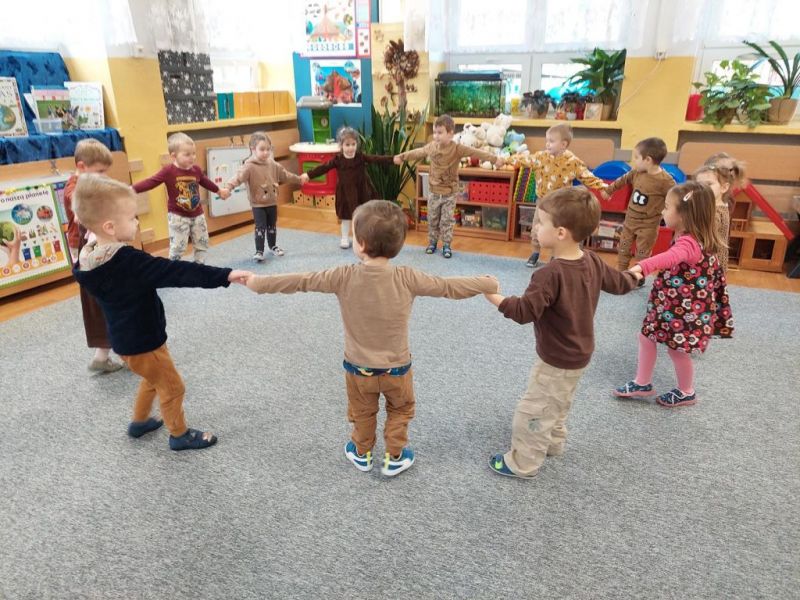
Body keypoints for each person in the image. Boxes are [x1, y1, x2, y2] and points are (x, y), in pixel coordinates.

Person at [245, 200, 498, 476]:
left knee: (362, 412)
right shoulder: (407, 277)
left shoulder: (342, 276)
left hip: (358, 370)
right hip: (397, 369)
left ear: (361, 244)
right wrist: (486, 283)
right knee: (400, 410)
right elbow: (448, 287)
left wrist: (259, 283)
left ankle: (361, 452)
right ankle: (395, 456)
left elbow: (302, 280)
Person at [72, 174, 251, 450]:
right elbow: (177, 271)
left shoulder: (87, 258)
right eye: (132, 218)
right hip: (145, 341)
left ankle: (140, 421)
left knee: (152, 379)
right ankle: (179, 434)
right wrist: (225, 275)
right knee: (173, 386)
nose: (137, 222)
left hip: (124, 341)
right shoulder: (128, 262)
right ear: (109, 226)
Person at [484, 187, 639, 479]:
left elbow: (524, 311)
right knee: (559, 399)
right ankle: (553, 442)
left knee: (534, 409)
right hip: (580, 353)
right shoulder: (591, 259)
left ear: (561, 233)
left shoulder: (548, 275)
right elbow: (619, 283)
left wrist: (493, 296)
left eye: (541, 222)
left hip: (556, 356)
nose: (535, 227)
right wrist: (635, 275)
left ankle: (522, 463)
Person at [614, 181, 734, 408]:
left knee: (677, 350)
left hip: (684, 311)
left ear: (683, 215)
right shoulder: (689, 235)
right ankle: (642, 382)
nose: (662, 211)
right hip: (670, 304)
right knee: (646, 336)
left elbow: (668, 258)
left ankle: (687, 391)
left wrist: (640, 268)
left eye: (667, 207)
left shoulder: (689, 242)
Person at [394, 114, 503, 259]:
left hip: (449, 194)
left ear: (451, 133)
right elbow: (418, 152)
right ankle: (432, 242)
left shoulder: (457, 149)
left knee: (446, 220)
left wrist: (494, 159)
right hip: (433, 192)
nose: (436, 136)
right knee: (432, 219)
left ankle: (446, 244)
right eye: (435, 132)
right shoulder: (432, 147)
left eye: (440, 132)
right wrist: (402, 157)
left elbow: (476, 152)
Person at [62, 139, 125, 372]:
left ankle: (105, 353)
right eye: (99, 171)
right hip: (87, 252)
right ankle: (115, 350)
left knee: (108, 298)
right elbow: (75, 201)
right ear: (81, 166)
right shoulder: (74, 187)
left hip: (97, 248)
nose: (103, 176)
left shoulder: (92, 182)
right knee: (101, 300)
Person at [132, 132, 231, 263]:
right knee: (178, 247)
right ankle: (173, 268)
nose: (192, 157)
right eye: (187, 154)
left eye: (194, 153)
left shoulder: (196, 170)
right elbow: (151, 182)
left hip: (197, 214)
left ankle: (200, 265)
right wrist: (132, 189)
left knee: (202, 243)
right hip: (178, 216)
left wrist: (218, 191)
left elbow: (206, 182)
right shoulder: (168, 171)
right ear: (173, 156)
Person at [520, 123, 607, 268]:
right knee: (537, 227)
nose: (547, 144)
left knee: (558, 231)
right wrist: (500, 160)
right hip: (542, 202)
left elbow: (587, 176)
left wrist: (603, 187)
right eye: (547, 140)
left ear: (563, 144)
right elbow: (523, 160)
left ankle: (555, 257)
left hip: (561, 205)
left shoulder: (572, 162)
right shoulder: (541, 157)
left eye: (551, 141)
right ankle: (535, 252)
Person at [224, 131, 309, 262]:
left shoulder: (273, 164)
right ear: (253, 149)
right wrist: (228, 187)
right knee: (260, 227)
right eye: (262, 149)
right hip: (258, 204)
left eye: (268, 149)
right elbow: (238, 178)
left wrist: (299, 179)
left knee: (272, 226)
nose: (266, 152)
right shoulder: (249, 166)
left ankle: (273, 246)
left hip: (272, 202)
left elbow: (286, 175)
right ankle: (259, 250)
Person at [305, 126, 394, 249]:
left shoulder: (360, 157)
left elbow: (376, 159)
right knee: (346, 216)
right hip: (345, 193)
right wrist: (308, 175)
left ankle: (359, 238)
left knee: (362, 216)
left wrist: (392, 159)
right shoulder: (338, 160)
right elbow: (323, 168)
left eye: (353, 144)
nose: (351, 148)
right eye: (347, 145)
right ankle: (345, 237)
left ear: (357, 144)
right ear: (341, 146)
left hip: (361, 192)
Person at [601, 137, 675, 277]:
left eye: (636, 157)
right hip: (630, 221)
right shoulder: (636, 172)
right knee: (623, 247)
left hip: (648, 225)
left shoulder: (666, 181)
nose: (633, 161)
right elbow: (623, 180)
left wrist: (669, 211)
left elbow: (675, 197)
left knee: (642, 253)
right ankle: (621, 272)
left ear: (648, 160)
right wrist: (609, 190)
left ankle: (639, 275)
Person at [694, 154, 747, 273]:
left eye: (708, 184)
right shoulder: (716, 203)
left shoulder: (717, 211)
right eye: (698, 184)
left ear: (724, 187)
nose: (702, 188)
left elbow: (703, 234)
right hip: (711, 259)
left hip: (710, 263)